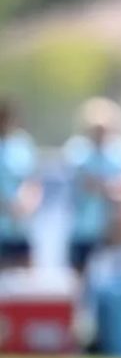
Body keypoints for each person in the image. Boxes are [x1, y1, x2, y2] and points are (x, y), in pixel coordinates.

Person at [63, 98, 121, 276]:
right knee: (79, 277)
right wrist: (111, 188)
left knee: (116, 278)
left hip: (114, 229)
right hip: (84, 228)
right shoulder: (77, 152)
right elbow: (88, 184)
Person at [0, 98, 42, 270]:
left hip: (20, 228)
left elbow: (33, 180)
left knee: (24, 282)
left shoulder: (23, 144)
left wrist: (27, 204)